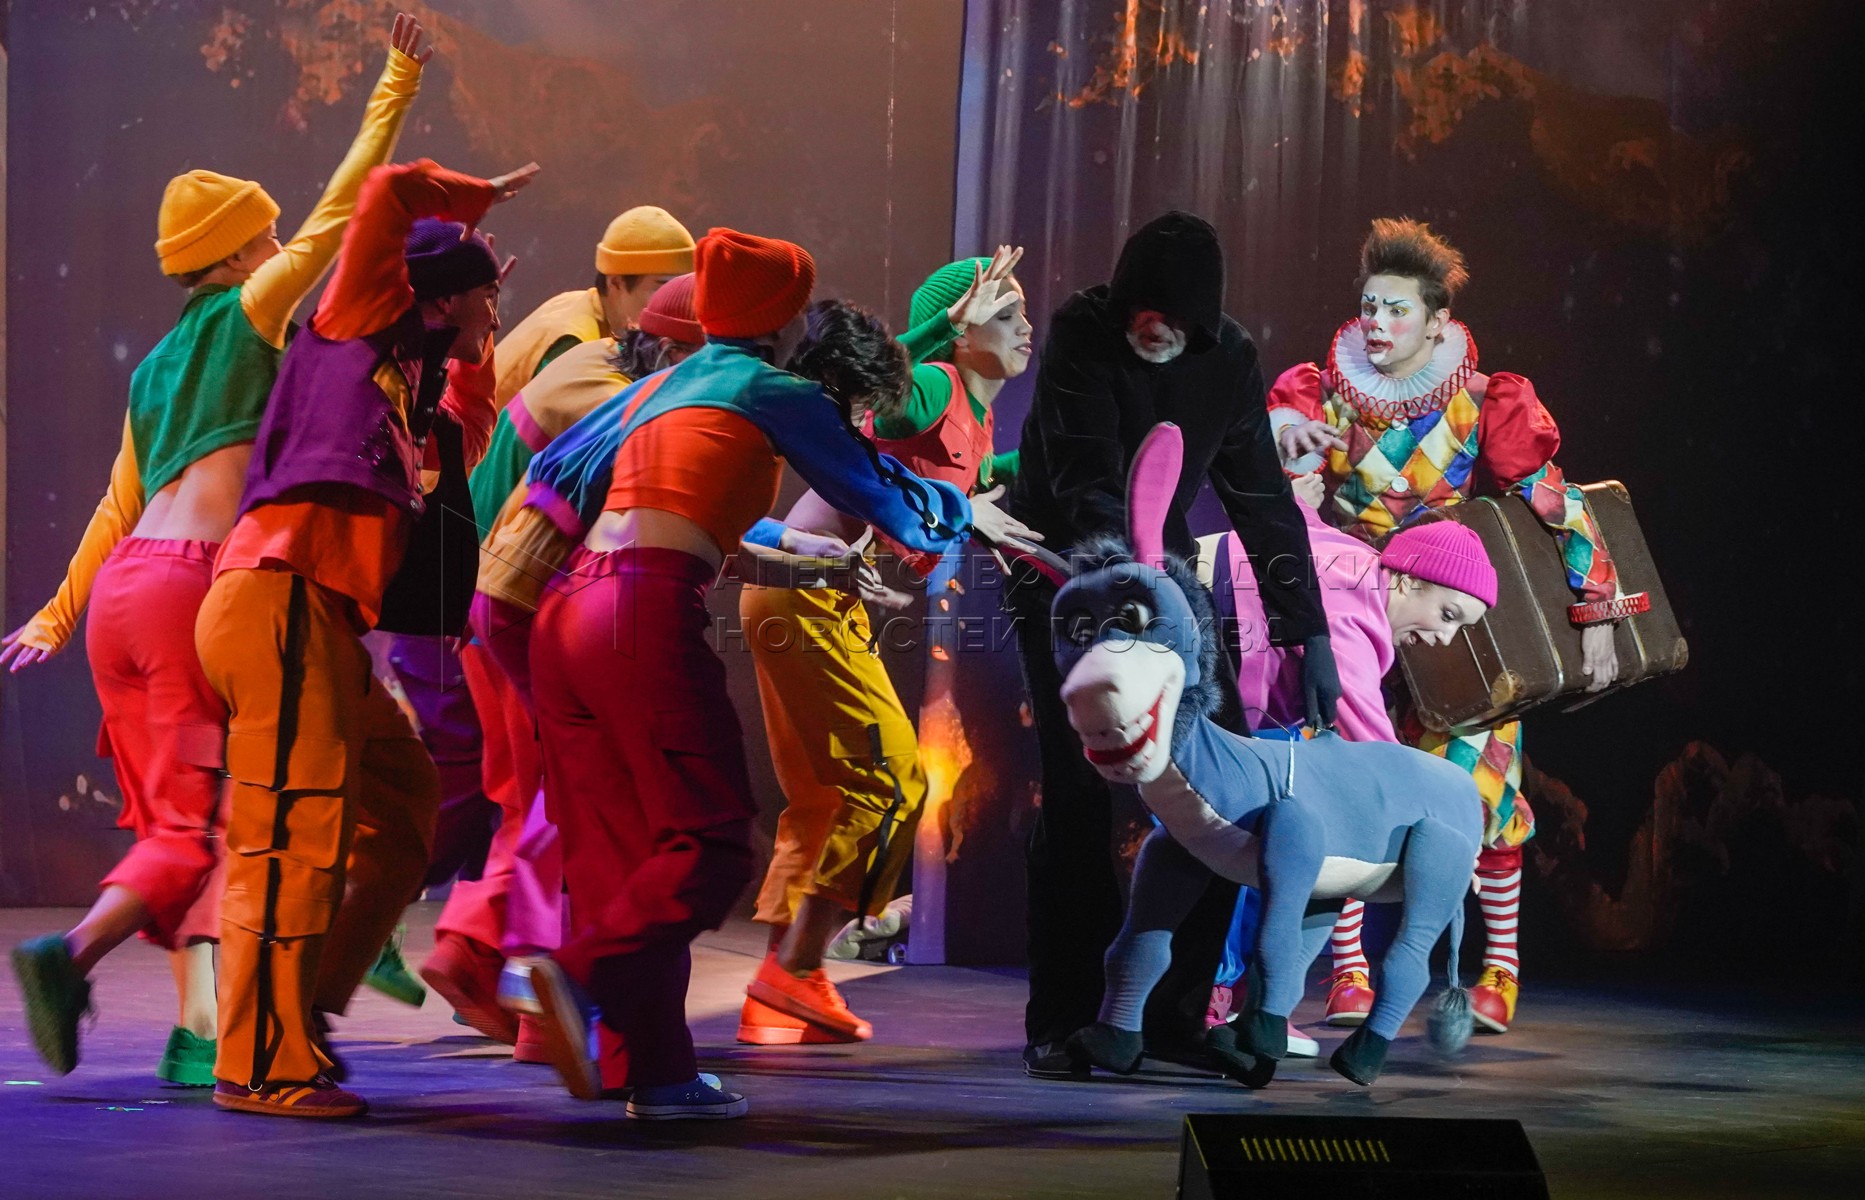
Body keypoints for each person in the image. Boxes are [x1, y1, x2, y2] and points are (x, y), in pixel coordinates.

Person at [512, 228, 1038, 1120]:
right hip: (639, 611)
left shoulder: (665, 384)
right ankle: (580, 976)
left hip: (562, 612)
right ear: (784, 321)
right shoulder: (772, 390)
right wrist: (959, 511)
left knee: (628, 854)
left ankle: (655, 1070)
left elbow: (550, 480)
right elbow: (890, 496)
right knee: (711, 840)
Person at [1, 12, 433, 1088]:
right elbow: (343, 211)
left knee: (184, 820)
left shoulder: (153, 369)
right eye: (267, 235)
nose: (282, 245)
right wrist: (395, 83)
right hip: (198, 588)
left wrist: (57, 612)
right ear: (240, 251)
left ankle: (191, 1024)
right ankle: (88, 962)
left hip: (124, 599)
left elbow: (115, 504)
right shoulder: (253, 306)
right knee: (240, 816)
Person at [191, 154, 538, 1118]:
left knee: (404, 801)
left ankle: (298, 1011)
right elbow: (386, 192)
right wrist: (472, 206)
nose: (499, 309)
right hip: (277, 599)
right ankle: (261, 1063)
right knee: (288, 840)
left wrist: (470, 349)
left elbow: (463, 438)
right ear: (444, 294)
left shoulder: (407, 385)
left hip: (318, 624)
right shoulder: (350, 328)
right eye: (487, 296)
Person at [1270, 217, 1623, 1034]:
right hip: (1355, 615)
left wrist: (1597, 608)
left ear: (1436, 322)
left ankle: (1499, 967)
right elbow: (1281, 494)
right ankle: (1348, 968)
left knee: (1480, 790)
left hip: (1452, 622)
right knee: (1346, 786)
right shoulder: (1319, 393)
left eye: (1397, 310)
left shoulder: (1482, 400)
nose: (1377, 323)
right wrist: (1293, 464)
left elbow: (1555, 502)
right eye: (1369, 306)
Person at [1007, 210, 1338, 1079]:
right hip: (1068, 579)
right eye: (1142, 310)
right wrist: (1125, 598)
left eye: (1173, 316)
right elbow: (1083, 479)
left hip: (1170, 588)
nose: (1153, 328)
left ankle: (1175, 1015)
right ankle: (1065, 1016)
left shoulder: (1227, 360)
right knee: (1079, 796)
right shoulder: (1083, 332)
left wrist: (1306, 630)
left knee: (1219, 793)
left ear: (1202, 321)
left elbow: (1260, 496)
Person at [736, 249, 1028, 1044]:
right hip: (802, 591)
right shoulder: (933, 384)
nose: (1025, 326)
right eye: (1005, 313)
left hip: (806, 595)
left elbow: (967, 479)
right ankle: (794, 967)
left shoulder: (974, 416)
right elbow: (883, 405)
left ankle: (778, 992)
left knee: (824, 798)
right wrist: (937, 327)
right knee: (892, 781)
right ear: (961, 331)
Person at [420, 275, 704, 1062]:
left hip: (487, 598)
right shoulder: (603, 380)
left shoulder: (591, 357)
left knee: (529, 798)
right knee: (559, 798)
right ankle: (529, 989)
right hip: (519, 603)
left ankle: (482, 953)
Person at [1196, 490, 1497, 1044]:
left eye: (1460, 628)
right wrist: (1447, 839)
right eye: (1447, 614)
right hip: (1191, 670)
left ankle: (1237, 1002)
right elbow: (1375, 754)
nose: (1444, 638)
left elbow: (1297, 522)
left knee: (1279, 826)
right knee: (1256, 838)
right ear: (1408, 580)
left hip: (1224, 696)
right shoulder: (1351, 606)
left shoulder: (1348, 559)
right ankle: (1217, 1002)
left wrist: (1294, 486)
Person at [489, 204, 694, 406]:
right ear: (616, 282)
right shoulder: (572, 342)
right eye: (665, 288)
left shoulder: (577, 302)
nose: (678, 301)